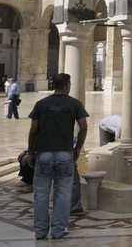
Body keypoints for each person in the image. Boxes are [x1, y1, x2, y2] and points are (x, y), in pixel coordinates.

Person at [27, 73, 88, 240]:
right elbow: (83, 126)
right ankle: (58, 230)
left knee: (40, 194)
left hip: (44, 154)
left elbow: (33, 131)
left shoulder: (41, 104)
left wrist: (31, 152)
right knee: (63, 194)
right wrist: (78, 148)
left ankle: (40, 231)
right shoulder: (75, 103)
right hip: (64, 154)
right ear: (67, 85)